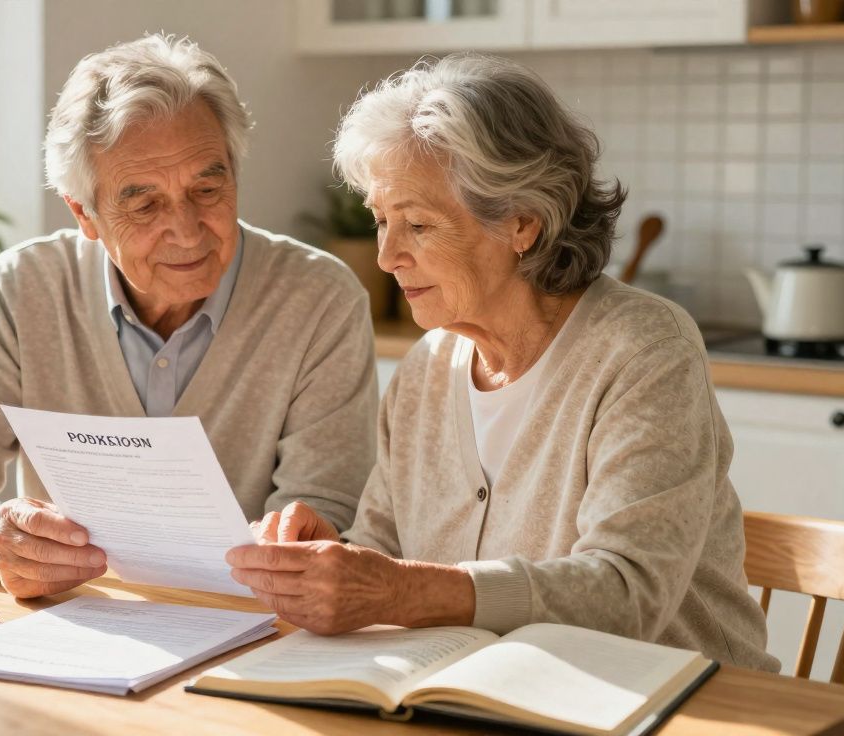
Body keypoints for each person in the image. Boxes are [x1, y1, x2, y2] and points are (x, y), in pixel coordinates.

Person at [228, 53, 779, 672]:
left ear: (522, 222)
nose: (387, 256)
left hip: (681, 704)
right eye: (381, 220)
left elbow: (628, 592)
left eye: (417, 224)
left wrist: (397, 589)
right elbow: (383, 551)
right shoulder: (426, 369)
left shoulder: (645, 350)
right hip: (499, 699)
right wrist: (326, 560)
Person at [0, 34, 378, 600]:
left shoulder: (319, 299)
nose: (188, 231)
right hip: (72, 626)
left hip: (249, 629)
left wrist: (306, 537)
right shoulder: (23, 289)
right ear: (84, 214)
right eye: (144, 204)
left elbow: (330, 508)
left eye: (208, 188)